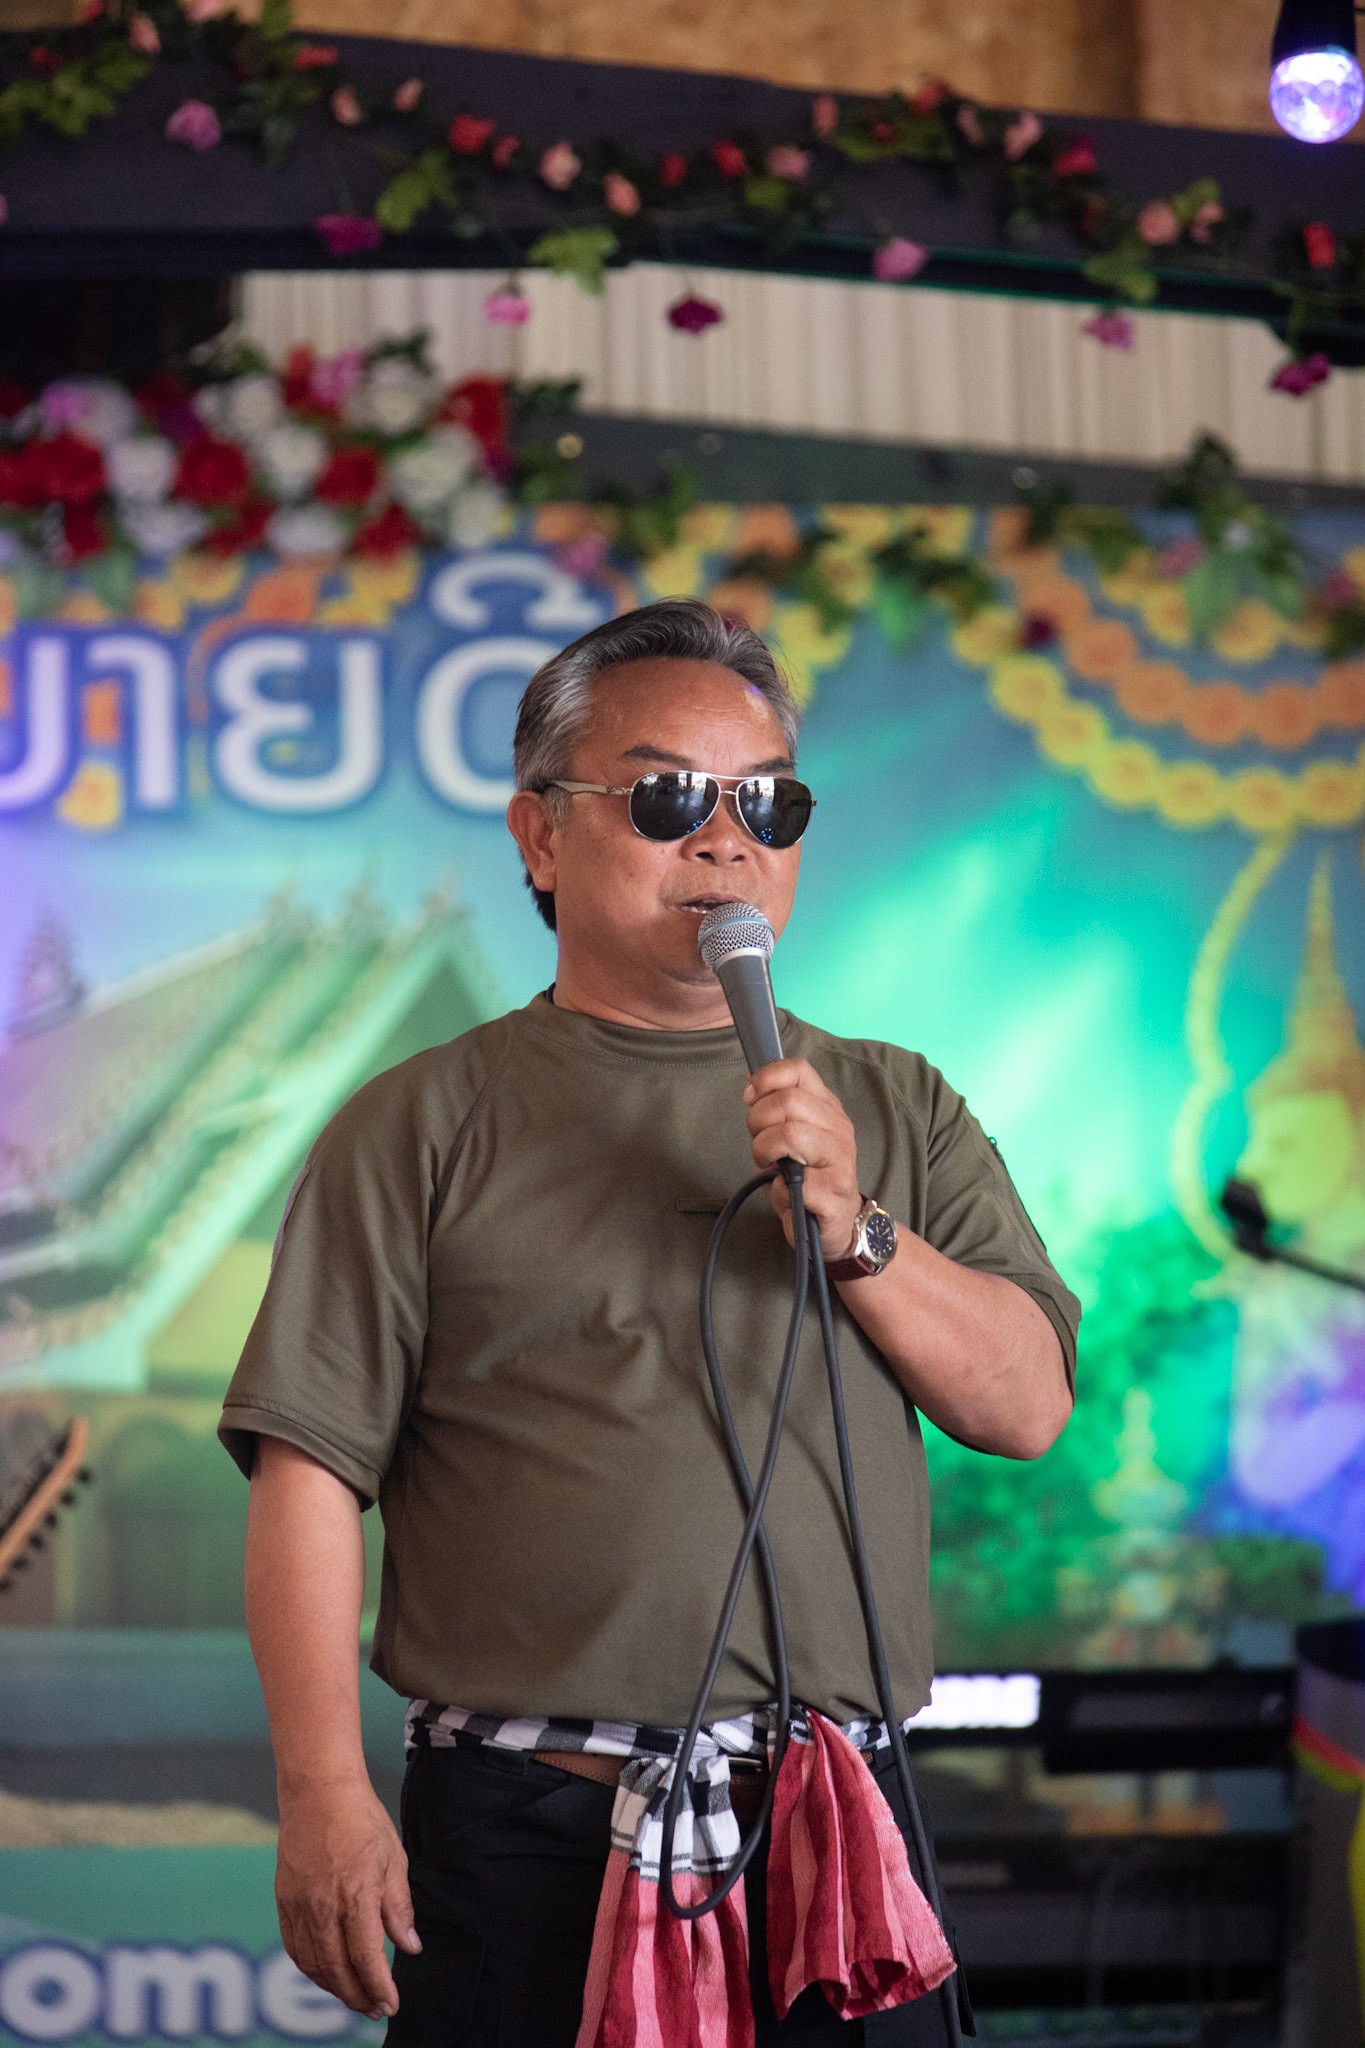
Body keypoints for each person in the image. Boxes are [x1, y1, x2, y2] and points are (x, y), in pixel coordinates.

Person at [220, 599, 1079, 2048]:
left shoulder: (895, 1103)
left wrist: (857, 1232)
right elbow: (308, 1474)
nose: (726, 841)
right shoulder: (423, 1121)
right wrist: (321, 1795)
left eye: (768, 804)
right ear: (540, 837)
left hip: (836, 1826)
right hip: (532, 1830)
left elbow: (1026, 1405)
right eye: (669, 796)